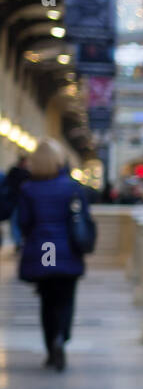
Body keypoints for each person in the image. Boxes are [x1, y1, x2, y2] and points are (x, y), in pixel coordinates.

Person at [16, 139, 93, 372]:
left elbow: (24, 223)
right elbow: (82, 218)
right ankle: (62, 337)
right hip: (66, 250)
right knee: (65, 299)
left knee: (47, 301)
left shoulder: (28, 189)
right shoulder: (72, 187)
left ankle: (51, 348)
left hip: (42, 250)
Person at [0, 155, 32, 247]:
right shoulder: (25, 173)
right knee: (16, 221)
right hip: (16, 201)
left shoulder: (14, 172)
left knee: (15, 222)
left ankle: (18, 240)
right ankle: (18, 241)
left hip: (15, 201)